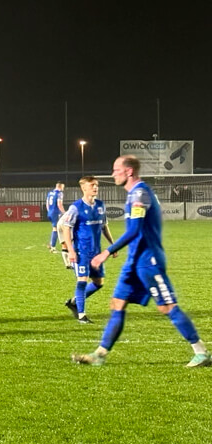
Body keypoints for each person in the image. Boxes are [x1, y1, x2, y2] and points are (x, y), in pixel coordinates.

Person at [73, 156, 209, 367]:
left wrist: (106, 252)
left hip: (149, 261)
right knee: (117, 304)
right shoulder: (134, 195)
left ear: (129, 172)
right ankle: (99, 355)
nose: (112, 174)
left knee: (167, 306)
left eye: (116, 169)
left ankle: (201, 352)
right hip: (133, 262)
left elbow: (134, 230)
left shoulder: (140, 193)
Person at [58, 176, 115, 324]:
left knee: (98, 282)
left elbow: (104, 226)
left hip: (97, 252)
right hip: (81, 252)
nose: (95, 188)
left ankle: (73, 302)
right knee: (82, 281)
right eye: (92, 185)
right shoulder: (76, 207)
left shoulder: (101, 205)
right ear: (84, 188)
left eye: (96, 185)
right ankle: (81, 315)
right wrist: (70, 250)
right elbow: (66, 227)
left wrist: (113, 245)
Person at [46, 181, 65, 252]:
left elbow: (47, 204)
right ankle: (53, 247)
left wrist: (49, 211)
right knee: (58, 229)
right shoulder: (59, 193)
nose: (63, 188)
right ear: (60, 186)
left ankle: (52, 244)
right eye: (63, 186)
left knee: (56, 228)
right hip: (56, 213)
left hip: (50, 212)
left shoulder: (50, 193)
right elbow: (59, 204)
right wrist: (64, 212)